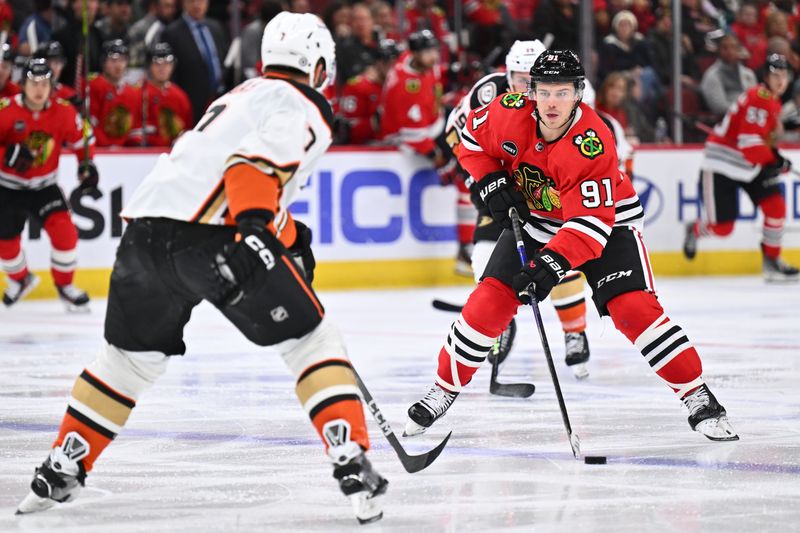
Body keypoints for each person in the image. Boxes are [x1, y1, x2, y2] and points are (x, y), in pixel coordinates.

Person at [16, 13, 387, 525]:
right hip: (215, 238)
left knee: (126, 362)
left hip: (144, 236)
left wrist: (286, 235)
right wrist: (259, 230)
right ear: (320, 65)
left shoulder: (234, 98)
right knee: (311, 342)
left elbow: (224, 171)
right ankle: (350, 456)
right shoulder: (305, 104)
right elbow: (250, 170)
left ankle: (61, 467)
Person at [404, 50, 739, 443]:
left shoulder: (591, 143)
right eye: (543, 91)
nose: (551, 102)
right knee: (487, 302)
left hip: (607, 225)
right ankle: (442, 389)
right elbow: (469, 141)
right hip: (537, 220)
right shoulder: (507, 111)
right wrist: (490, 180)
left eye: (562, 93)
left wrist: (549, 266)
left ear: (578, 94)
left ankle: (697, 395)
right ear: (530, 91)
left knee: (632, 309)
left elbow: (589, 227)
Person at [443, 40, 593, 379]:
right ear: (506, 73)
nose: (526, 86)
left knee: (556, 259)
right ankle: (500, 321)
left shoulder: (572, 88)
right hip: (502, 181)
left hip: (547, 187)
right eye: (518, 77)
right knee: (483, 255)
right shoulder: (488, 92)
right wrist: (482, 178)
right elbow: (457, 134)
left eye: (531, 78)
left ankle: (574, 331)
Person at [684, 54, 799, 282]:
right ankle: (696, 229)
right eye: (775, 75)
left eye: (784, 75)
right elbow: (750, 144)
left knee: (775, 208)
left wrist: (784, 131)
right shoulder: (760, 98)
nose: (780, 80)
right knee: (723, 228)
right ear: (766, 76)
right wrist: (776, 161)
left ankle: (772, 262)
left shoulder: (770, 99)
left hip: (749, 164)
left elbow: (760, 135)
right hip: (722, 164)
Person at [0, 58, 96, 311]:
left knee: (65, 234)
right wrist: (6, 155)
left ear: (52, 85)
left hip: (44, 187)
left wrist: (87, 165)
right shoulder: (6, 110)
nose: (39, 89)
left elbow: (84, 139)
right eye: (33, 83)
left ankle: (65, 287)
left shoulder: (63, 111)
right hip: (7, 187)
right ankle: (21, 280)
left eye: (44, 83)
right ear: (23, 84)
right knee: (5, 242)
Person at [160, 0, 228, 125]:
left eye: (201, 1)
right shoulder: (171, 33)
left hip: (219, 99)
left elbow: (223, 60)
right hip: (191, 103)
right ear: (184, 3)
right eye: (192, 1)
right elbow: (171, 75)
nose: (197, 5)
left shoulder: (216, 27)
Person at [337, 38, 400, 145]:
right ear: (378, 62)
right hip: (366, 151)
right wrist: (374, 122)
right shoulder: (357, 86)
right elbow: (345, 129)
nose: (393, 68)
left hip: (397, 147)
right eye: (388, 63)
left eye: (397, 63)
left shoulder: (400, 86)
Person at [129, 42, 192, 147]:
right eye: (157, 63)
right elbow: (131, 131)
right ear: (149, 66)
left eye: (167, 63)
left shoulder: (180, 96)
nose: (162, 68)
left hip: (172, 154)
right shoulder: (138, 93)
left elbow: (187, 129)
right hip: (143, 154)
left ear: (173, 66)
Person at [89, 39, 139, 146]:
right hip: (99, 150)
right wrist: (108, 145)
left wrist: (133, 147)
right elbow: (90, 125)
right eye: (113, 60)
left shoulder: (133, 93)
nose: (118, 65)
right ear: (104, 62)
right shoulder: (94, 87)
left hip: (124, 154)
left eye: (122, 60)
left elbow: (134, 129)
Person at [700, 34, 758, 117]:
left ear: (739, 50)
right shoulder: (712, 75)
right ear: (719, 50)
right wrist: (745, 111)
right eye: (725, 48)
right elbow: (719, 108)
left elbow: (755, 100)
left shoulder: (749, 74)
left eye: (734, 47)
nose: (730, 51)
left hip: (750, 117)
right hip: (727, 121)